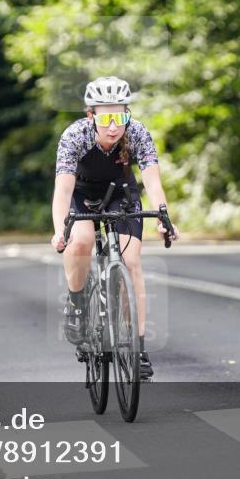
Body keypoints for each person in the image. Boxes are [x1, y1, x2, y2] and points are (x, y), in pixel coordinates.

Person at [51, 76, 178, 380]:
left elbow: (152, 181)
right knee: (80, 241)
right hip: (81, 195)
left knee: (131, 262)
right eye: (105, 117)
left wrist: (163, 217)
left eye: (119, 116)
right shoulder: (75, 136)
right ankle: (77, 302)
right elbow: (63, 190)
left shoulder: (137, 133)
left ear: (127, 114)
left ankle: (138, 346)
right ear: (90, 115)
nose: (113, 126)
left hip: (120, 194)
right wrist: (60, 230)